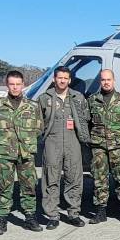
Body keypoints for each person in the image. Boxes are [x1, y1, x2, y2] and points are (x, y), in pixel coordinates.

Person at [0, 70, 43, 235]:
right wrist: (6, 140)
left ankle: (30, 217)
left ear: (23, 85)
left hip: (26, 153)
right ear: (7, 85)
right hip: (6, 153)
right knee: (4, 186)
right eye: (12, 84)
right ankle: (1, 219)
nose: (15, 87)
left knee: (29, 186)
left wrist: (25, 140)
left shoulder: (33, 106)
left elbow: (39, 128)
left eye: (18, 84)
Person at [37, 66, 89, 230]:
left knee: (74, 177)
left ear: (69, 80)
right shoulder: (45, 98)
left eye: (65, 78)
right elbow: (39, 121)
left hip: (73, 141)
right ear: (54, 79)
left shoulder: (78, 97)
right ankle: (52, 215)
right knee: (50, 178)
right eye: (59, 77)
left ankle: (73, 213)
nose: (62, 81)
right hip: (52, 141)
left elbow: (86, 117)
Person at [86, 69, 120, 224]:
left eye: (108, 80)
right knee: (99, 178)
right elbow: (88, 122)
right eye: (103, 80)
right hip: (99, 145)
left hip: (118, 146)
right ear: (100, 81)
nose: (106, 82)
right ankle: (101, 211)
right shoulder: (92, 100)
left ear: (114, 81)